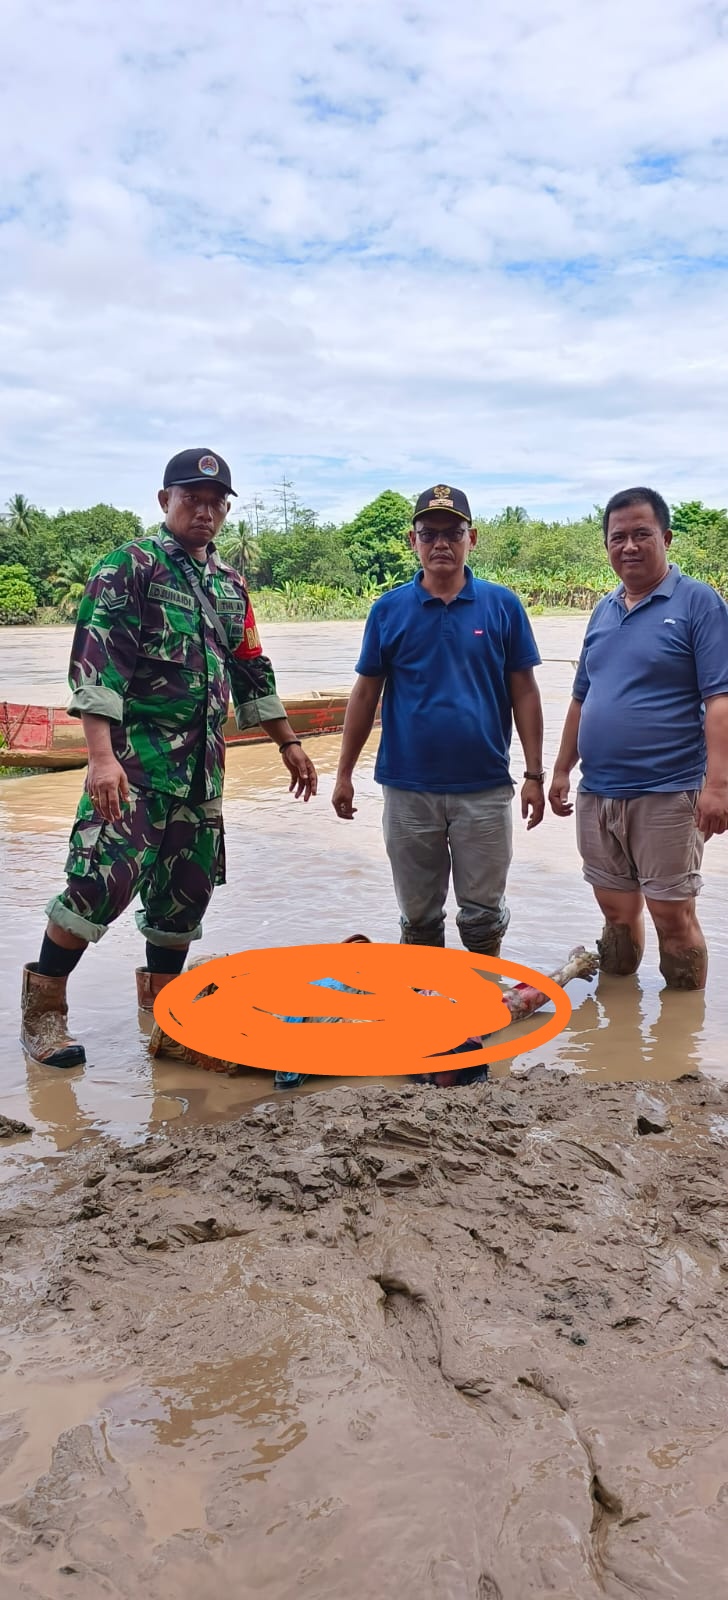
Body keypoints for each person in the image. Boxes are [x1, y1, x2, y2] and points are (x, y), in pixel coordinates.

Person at [20, 448, 318, 1069]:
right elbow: (96, 669)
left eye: (216, 502)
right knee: (98, 887)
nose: (205, 511)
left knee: (184, 899)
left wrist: (288, 743)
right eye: (192, 499)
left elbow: (251, 668)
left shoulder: (231, 586)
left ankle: (166, 1022)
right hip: (133, 771)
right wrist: (101, 760)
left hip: (202, 774)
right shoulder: (129, 569)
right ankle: (43, 1016)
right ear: (165, 501)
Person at [331, 483, 545, 953]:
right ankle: (427, 1013)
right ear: (413, 541)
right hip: (409, 790)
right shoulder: (387, 610)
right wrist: (344, 774)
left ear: (473, 538)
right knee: (419, 919)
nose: (441, 544)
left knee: (483, 918)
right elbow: (366, 695)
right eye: (429, 534)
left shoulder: (503, 606)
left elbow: (525, 692)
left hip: (485, 787)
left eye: (454, 532)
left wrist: (534, 774)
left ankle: (483, 1006)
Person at [548, 486, 728, 989]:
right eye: (618, 537)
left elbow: (720, 700)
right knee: (616, 915)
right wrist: (562, 769)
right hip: (599, 792)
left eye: (641, 534)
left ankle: (682, 1035)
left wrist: (718, 786)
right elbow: (582, 698)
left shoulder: (699, 603)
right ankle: (618, 1018)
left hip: (668, 792)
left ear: (666, 538)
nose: (628, 546)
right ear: (606, 545)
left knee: (673, 916)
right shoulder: (603, 610)